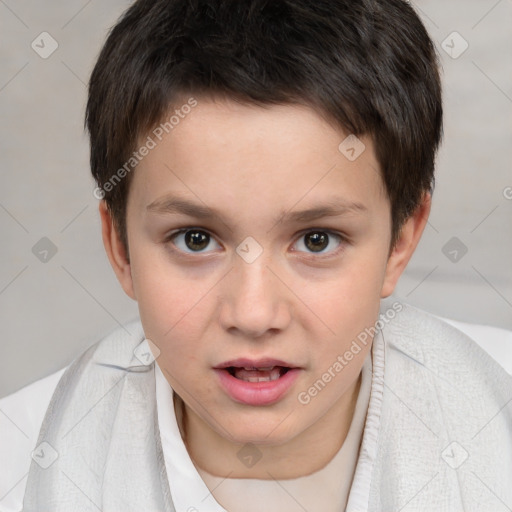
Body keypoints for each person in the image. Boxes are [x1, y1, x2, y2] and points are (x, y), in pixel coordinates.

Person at [1, 0, 511, 510]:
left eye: (317, 240)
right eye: (195, 239)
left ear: (400, 241)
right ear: (121, 249)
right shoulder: (20, 463)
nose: (253, 313)